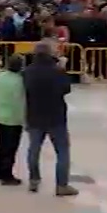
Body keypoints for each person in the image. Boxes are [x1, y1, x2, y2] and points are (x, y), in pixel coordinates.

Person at [22, 40, 79, 197]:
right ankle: (61, 185)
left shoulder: (27, 72)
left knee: (34, 149)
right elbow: (66, 89)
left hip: (34, 115)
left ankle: (34, 179)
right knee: (62, 151)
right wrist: (63, 68)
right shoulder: (57, 71)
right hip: (56, 116)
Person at [0, 54, 25, 185]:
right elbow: (20, 99)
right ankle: (7, 174)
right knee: (10, 148)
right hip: (13, 117)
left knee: (0, 145)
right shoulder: (20, 81)